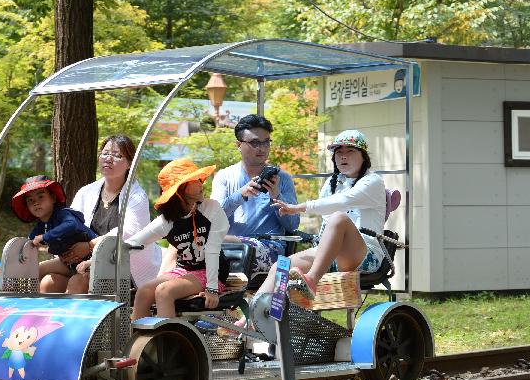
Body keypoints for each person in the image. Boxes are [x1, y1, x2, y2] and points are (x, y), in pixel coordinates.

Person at [256, 130, 386, 298]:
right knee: (281, 266)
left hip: (366, 255)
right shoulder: (332, 183)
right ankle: (250, 320)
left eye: (350, 151)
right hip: (330, 254)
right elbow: (326, 215)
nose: (343, 157)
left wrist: (297, 207)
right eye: (339, 152)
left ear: (364, 157)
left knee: (338, 218)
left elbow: (343, 201)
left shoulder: (373, 181)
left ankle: (311, 280)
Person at [43, 135, 161, 294]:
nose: (109, 159)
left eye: (117, 155)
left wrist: (89, 246)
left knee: (78, 281)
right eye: (105, 153)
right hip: (82, 260)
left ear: (129, 164)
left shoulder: (136, 196)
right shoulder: (86, 192)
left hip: (122, 265)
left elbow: (128, 233)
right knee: (47, 281)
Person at [127, 158, 229, 319]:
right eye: (193, 180)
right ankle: (141, 341)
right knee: (144, 291)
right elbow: (134, 244)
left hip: (212, 271)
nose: (200, 183)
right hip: (185, 270)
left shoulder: (212, 209)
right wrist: (101, 258)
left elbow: (212, 250)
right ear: (179, 191)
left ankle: (167, 342)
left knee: (164, 291)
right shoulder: (166, 221)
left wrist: (212, 288)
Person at [210, 113, 300, 278]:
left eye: (266, 142)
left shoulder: (283, 178)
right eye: (255, 143)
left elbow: (292, 225)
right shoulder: (224, 176)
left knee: (210, 241)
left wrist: (277, 197)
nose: (262, 148)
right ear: (239, 145)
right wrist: (240, 195)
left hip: (268, 250)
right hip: (230, 249)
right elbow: (213, 218)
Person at [10, 175, 98, 283]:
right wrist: (11, 265)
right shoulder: (41, 225)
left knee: (76, 282)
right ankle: (11, 274)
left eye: (41, 197)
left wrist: (45, 236)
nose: (36, 202)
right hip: (70, 263)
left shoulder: (63, 214)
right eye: (30, 200)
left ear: (53, 198)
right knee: (34, 272)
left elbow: (71, 225)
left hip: (93, 260)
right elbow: (28, 244)